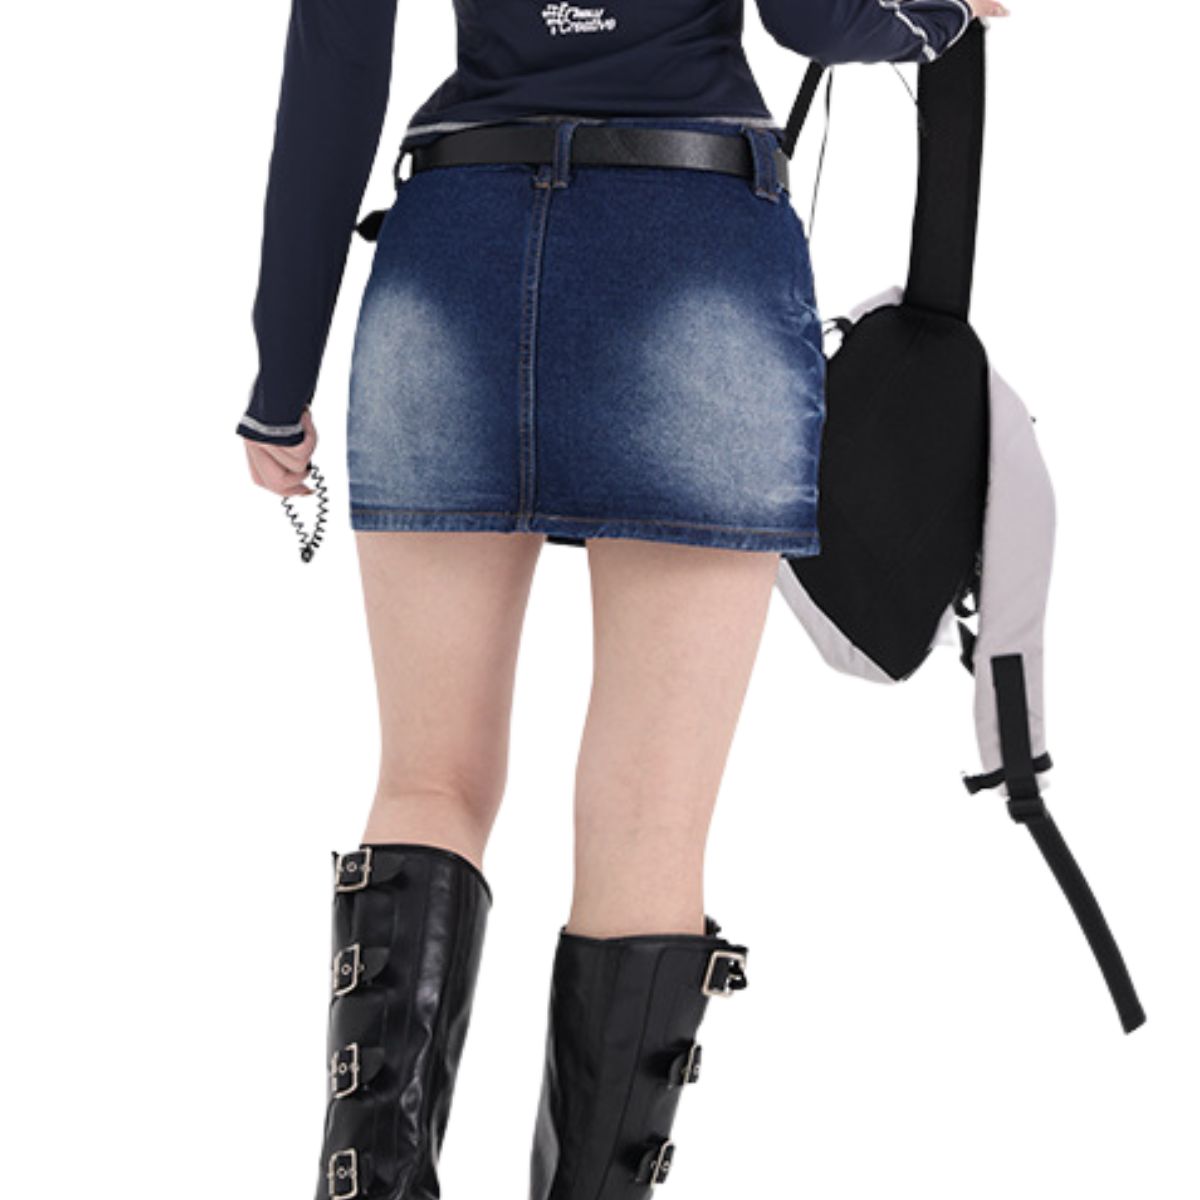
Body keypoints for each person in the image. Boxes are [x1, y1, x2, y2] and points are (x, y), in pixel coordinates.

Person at [237, 1, 1009, 1196]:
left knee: (428, 783)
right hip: (692, 242)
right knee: (648, 824)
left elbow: (338, 57)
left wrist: (279, 379)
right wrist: (937, 14)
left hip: (458, 248)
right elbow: (812, 15)